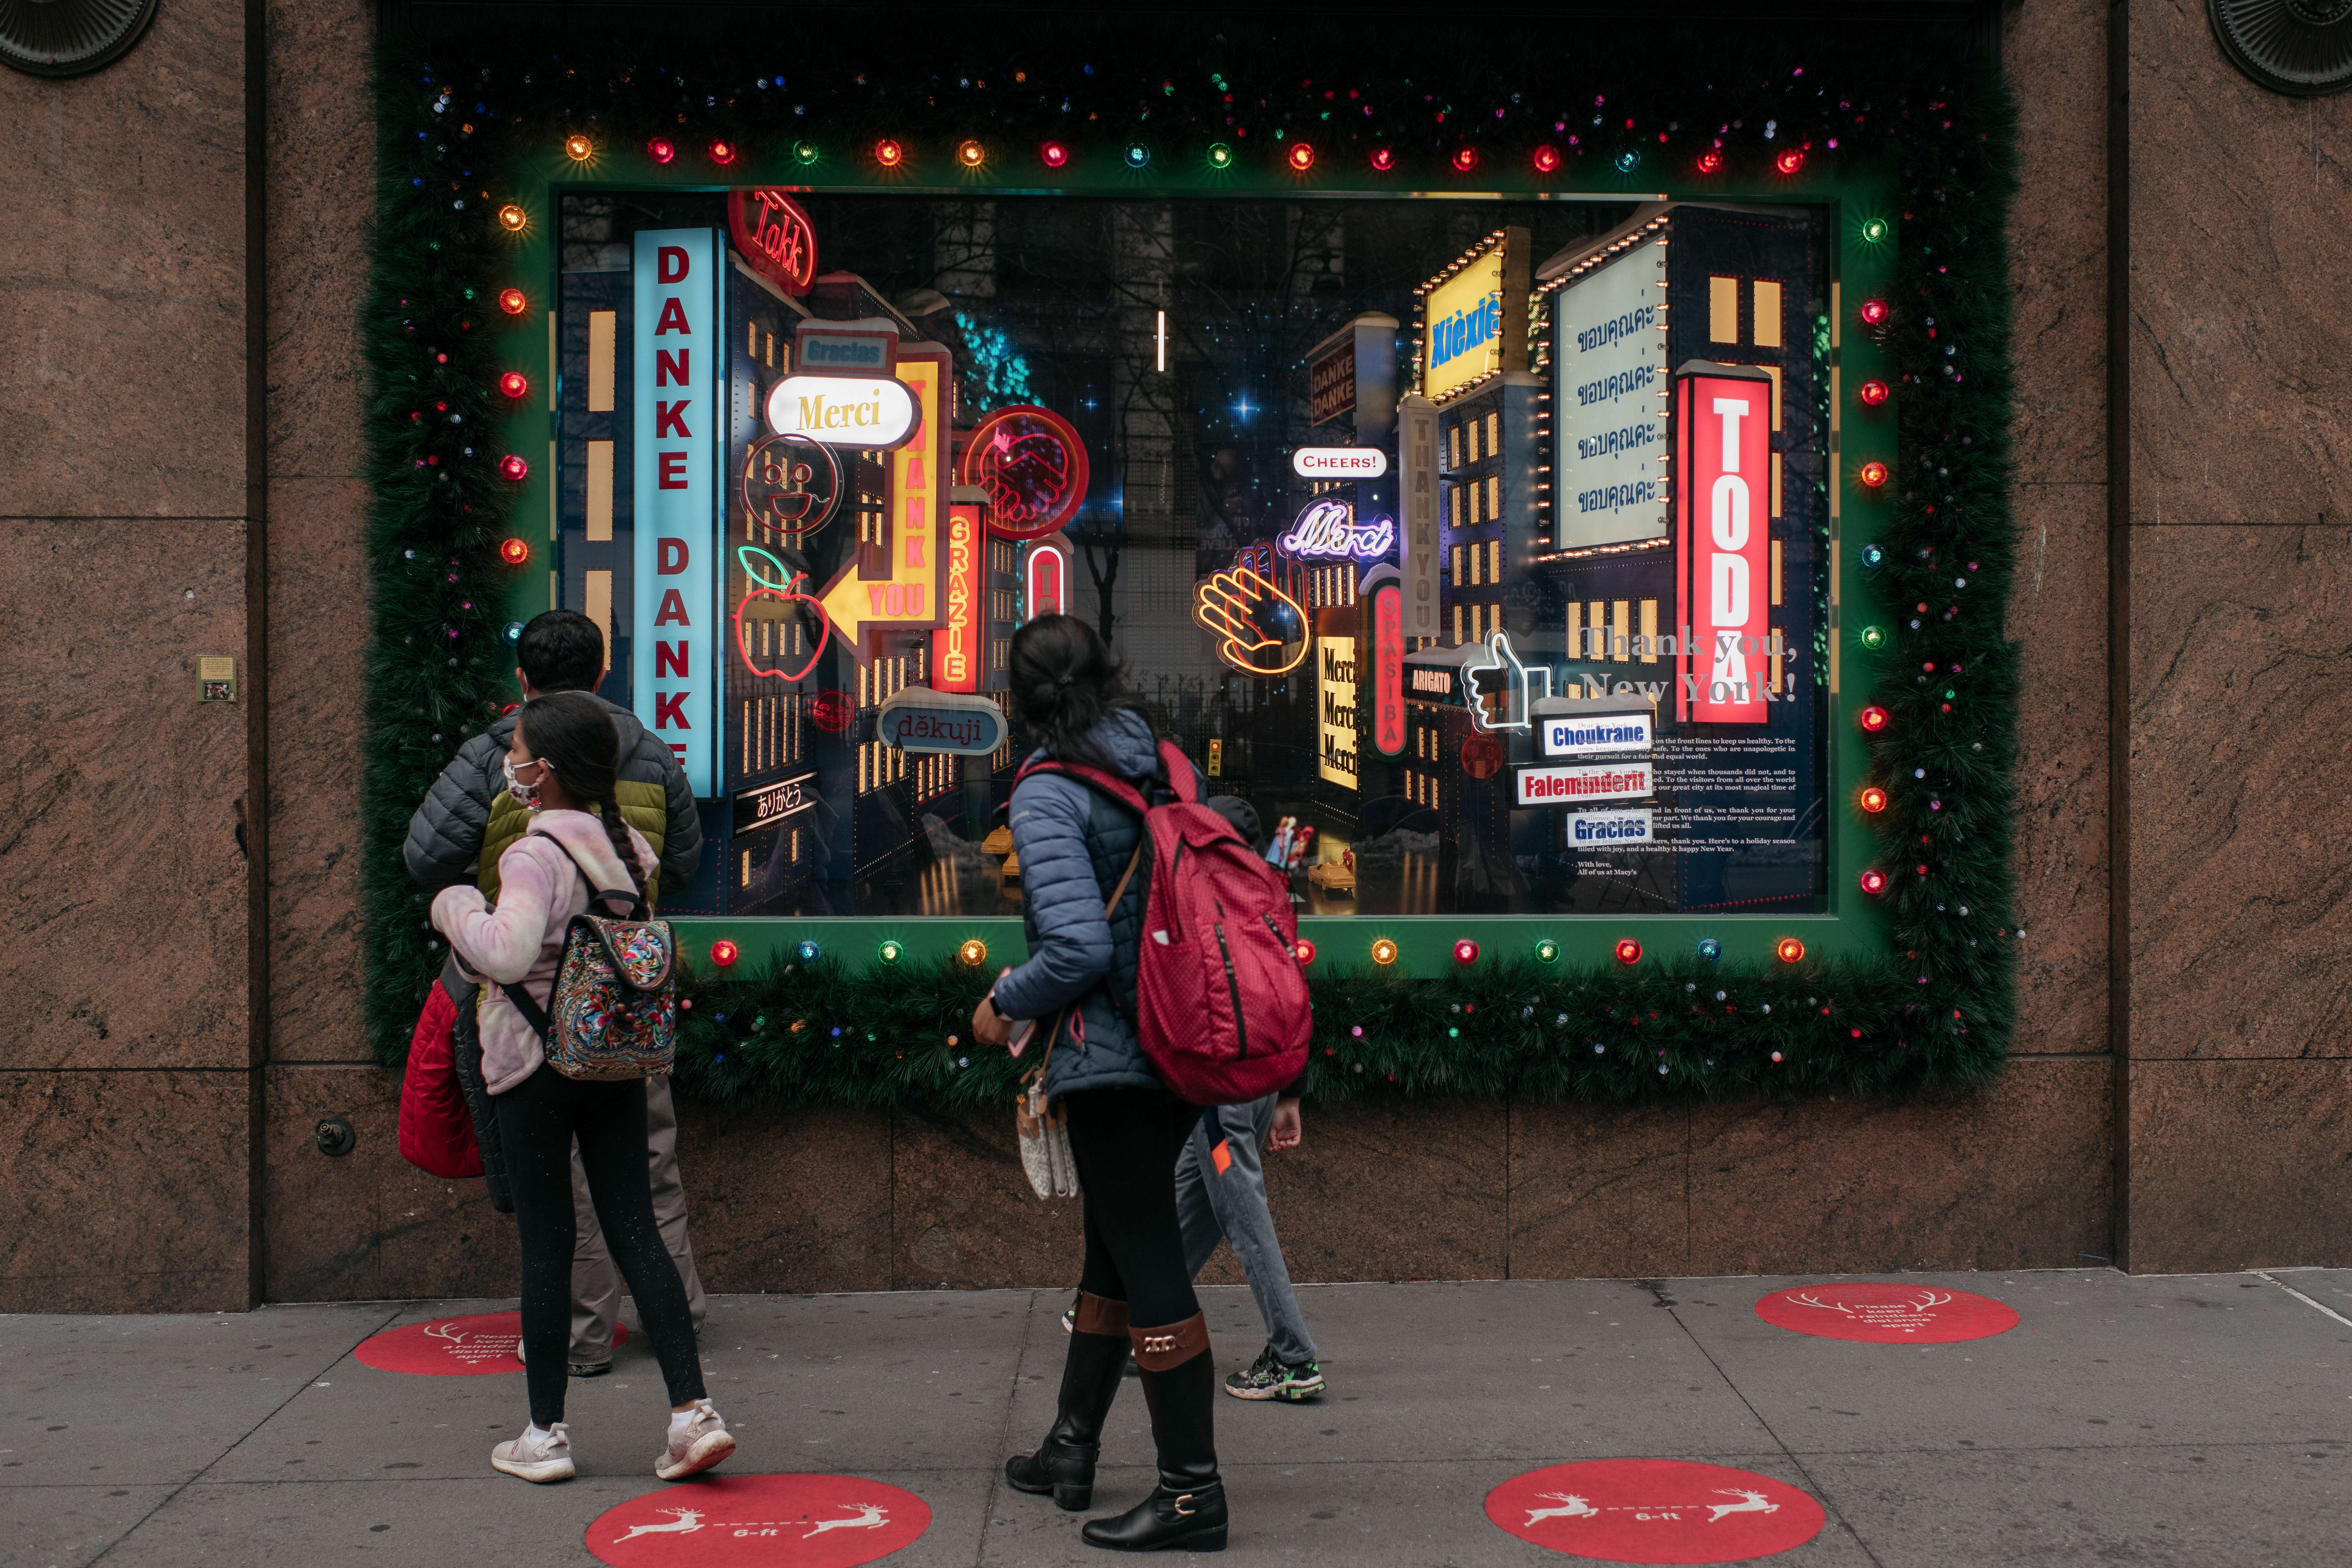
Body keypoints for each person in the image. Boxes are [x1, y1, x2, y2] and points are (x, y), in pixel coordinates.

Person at [430, 692, 734, 1485]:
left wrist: (456, 904)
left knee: (549, 1245)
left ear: (547, 771)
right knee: (636, 1229)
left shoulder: (534, 852)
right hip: (614, 1060)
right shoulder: (627, 845)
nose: (513, 763)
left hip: (534, 1067)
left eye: (522, 750)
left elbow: (507, 950)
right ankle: (691, 1415)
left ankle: (545, 1434)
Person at [975, 614, 1228, 1555]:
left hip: (1113, 1058)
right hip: (1179, 1044)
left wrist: (1004, 999)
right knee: (1112, 1254)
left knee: (1148, 1261)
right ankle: (1070, 1447)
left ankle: (1192, 1492)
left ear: (1023, 693)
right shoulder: (1163, 762)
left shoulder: (1046, 792)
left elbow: (1076, 946)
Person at [403, 610, 707, 1377]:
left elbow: (426, 855)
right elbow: (690, 860)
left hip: (536, 1001)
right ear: (603, 673)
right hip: (629, 989)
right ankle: (681, 1317)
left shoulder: (496, 760)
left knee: (565, 1186)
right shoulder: (646, 750)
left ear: (523, 683)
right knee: (651, 1164)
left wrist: (463, 905)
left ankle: (580, 1335)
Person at [1182, 796, 1325, 1403]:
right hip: (1260, 1081)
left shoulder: (1201, 902)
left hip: (1221, 1090)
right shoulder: (1269, 898)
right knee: (1189, 1203)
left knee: (1244, 1221)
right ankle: (1131, 1316)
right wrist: (1289, 1093)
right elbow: (1292, 995)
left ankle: (1293, 1358)